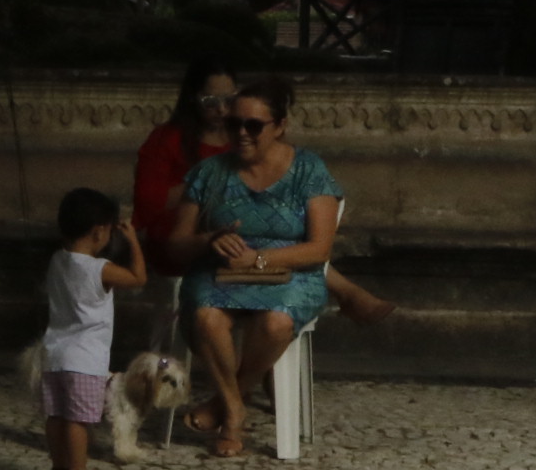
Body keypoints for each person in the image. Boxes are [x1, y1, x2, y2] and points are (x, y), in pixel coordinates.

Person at [135, 59, 391, 320]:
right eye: (211, 101)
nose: (222, 109)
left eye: (229, 98)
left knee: (275, 232)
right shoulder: (172, 142)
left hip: (247, 235)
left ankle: (342, 293)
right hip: (189, 230)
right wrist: (206, 186)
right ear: (193, 99)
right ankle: (346, 291)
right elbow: (148, 203)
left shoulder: (249, 138)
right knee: (256, 234)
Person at [171, 77, 341, 459]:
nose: (242, 134)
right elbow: (177, 244)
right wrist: (208, 239)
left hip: (292, 273)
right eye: (234, 124)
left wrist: (260, 260)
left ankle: (227, 398)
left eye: (254, 125)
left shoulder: (309, 170)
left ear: (280, 126)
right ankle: (233, 412)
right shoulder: (209, 173)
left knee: (277, 323)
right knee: (205, 315)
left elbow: (319, 248)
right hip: (220, 273)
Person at [40, 188, 147, 470]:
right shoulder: (100, 269)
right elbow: (139, 279)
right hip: (85, 358)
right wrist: (134, 242)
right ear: (99, 231)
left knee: (56, 415)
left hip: (54, 353)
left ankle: (59, 467)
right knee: (78, 419)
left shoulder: (57, 261)